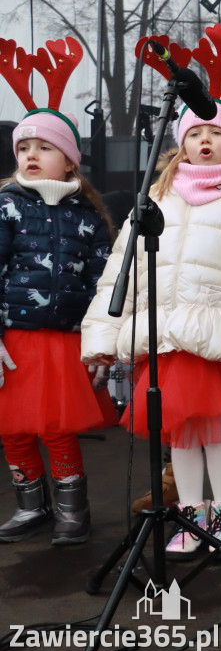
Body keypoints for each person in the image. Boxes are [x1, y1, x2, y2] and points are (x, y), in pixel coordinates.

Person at [81, 97, 221, 559]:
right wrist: (102, 335)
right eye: (194, 133)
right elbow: (121, 272)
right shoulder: (154, 200)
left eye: (215, 132)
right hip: (163, 340)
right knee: (181, 439)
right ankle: (191, 518)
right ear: (181, 144)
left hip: (212, 341)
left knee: (216, 434)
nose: (204, 140)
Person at [0, 87, 113, 545]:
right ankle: (31, 505)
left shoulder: (88, 216)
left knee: (56, 427)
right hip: (13, 340)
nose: (31, 155)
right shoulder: (6, 206)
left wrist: (104, 341)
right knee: (12, 427)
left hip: (64, 342)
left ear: (69, 162)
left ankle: (72, 509)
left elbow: (103, 284)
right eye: (24, 147)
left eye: (44, 147)